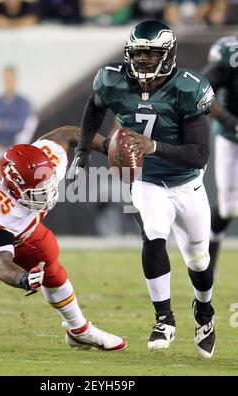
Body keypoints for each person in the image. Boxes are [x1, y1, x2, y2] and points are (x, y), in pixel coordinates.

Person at [68, 20, 216, 358]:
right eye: (138, 54)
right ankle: (163, 317)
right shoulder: (112, 79)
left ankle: (204, 311)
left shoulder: (187, 88)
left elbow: (199, 155)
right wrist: (81, 152)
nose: (143, 62)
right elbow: (94, 106)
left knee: (198, 258)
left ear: (167, 55)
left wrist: (153, 147)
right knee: (154, 234)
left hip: (186, 183)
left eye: (150, 55)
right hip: (147, 180)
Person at [0, 125, 126, 352]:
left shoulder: (46, 159)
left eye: (47, 185)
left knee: (52, 268)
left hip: (26, 228)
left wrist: (109, 147)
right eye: (38, 190)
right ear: (14, 189)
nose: (48, 193)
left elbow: (69, 133)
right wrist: (23, 279)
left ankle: (79, 330)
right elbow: (0, 262)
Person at [202, 36, 238, 273]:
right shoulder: (230, 53)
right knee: (229, 208)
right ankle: (208, 257)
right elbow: (201, 92)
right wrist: (229, 120)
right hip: (232, 136)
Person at [0, 65, 38, 160]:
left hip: (18, 148)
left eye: (11, 80)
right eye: (6, 80)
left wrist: (1, 125)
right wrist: (9, 125)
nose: (9, 83)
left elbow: (21, 125)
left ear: (15, 81)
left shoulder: (24, 103)